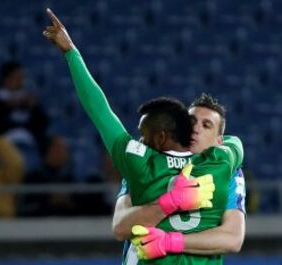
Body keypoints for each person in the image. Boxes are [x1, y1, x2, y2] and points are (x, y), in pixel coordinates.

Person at [43, 8, 243, 265]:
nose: (140, 140)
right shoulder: (223, 164)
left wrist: (71, 53)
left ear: (161, 137)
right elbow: (236, 143)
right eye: (192, 122)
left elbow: (100, 111)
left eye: (143, 134)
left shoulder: (141, 165)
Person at [113, 94, 246, 264]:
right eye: (190, 122)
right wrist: (165, 204)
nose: (195, 129)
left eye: (206, 125)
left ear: (219, 142)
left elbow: (233, 238)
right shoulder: (148, 164)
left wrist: (170, 241)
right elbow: (120, 227)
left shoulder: (229, 173)